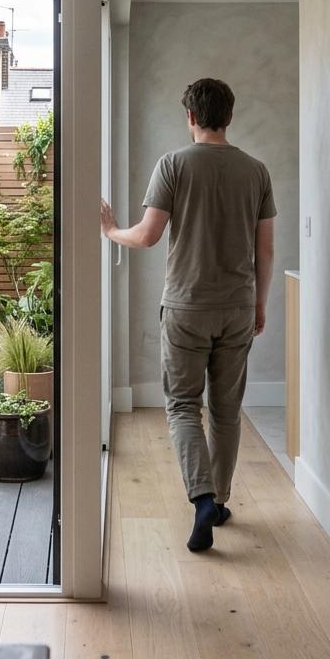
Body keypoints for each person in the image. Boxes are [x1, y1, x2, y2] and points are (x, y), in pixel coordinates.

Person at [100, 77, 275, 552]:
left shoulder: (173, 164)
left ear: (191, 117)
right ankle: (219, 501)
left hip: (186, 307)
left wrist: (112, 229)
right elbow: (266, 249)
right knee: (226, 410)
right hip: (238, 306)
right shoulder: (256, 171)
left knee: (182, 406)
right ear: (229, 116)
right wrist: (259, 303)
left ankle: (200, 497)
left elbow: (148, 236)